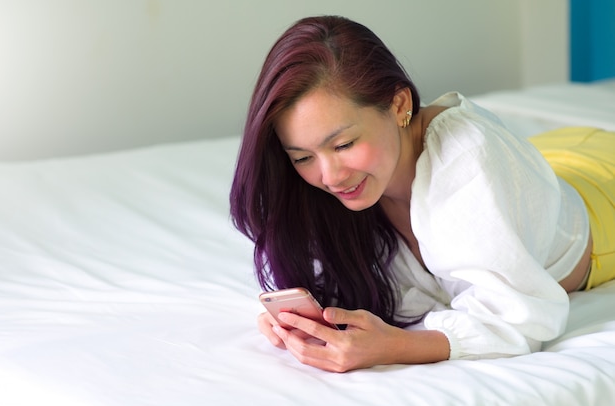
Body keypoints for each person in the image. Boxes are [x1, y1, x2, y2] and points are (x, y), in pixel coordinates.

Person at [229, 15, 615, 372]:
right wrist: (308, 318)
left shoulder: (469, 163)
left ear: (399, 105)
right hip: (551, 155)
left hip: (603, 189)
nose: (330, 177)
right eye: (302, 156)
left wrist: (392, 347)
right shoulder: (347, 183)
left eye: (344, 144)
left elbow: (521, 321)